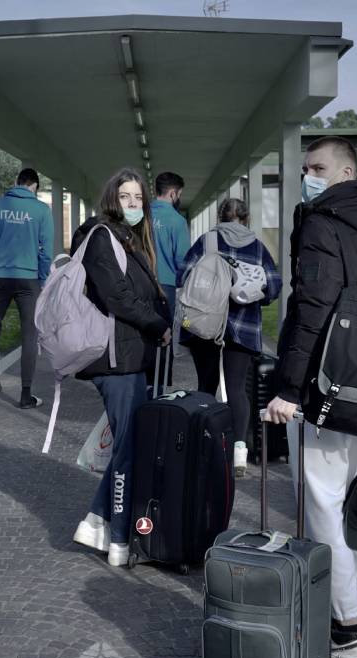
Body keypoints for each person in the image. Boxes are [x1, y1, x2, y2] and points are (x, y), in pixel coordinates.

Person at [265, 137, 357, 658]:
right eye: (306, 169)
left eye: (318, 167)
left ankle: (345, 631)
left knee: (325, 505)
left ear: (346, 171)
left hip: (327, 383)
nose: (310, 176)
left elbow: (312, 309)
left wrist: (287, 388)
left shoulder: (322, 220)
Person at [70, 167, 172, 567]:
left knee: (129, 445)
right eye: (125, 197)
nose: (133, 204)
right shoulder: (102, 238)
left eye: (138, 198)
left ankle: (97, 520)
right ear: (112, 199)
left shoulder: (129, 240)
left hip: (131, 356)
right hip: (115, 360)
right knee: (129, 449)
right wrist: (158, 324)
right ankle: (116, 540)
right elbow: (118, 297)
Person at [179, 197, 281, 477]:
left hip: (205, 324)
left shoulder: (206, 241)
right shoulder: (258, 246)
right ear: (245, 219)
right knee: (236, 389)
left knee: (206, 386)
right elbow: (273, 287)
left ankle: (204, 443)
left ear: (219, 218)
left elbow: (183, 277)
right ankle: (238, 452)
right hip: (244, 326)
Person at [0, 167, 53, 409]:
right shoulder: (41, 210)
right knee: (30, 333)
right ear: (34, 187)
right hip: (29, 280)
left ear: (16, 182)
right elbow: (46, 253)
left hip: (2, 277)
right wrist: (41, 278)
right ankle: (26, 395)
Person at [148, 172, 191, 388]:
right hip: (165, 287)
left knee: (141, 335)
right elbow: (182, 260)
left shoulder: (140, 216)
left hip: (138, 285)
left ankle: (141, 384)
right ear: (173, 193)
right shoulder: (177, 221)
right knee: (164, 336)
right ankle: (161, 386)